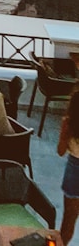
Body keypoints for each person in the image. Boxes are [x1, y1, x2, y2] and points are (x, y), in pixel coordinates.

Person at [58, 88, 79, 245]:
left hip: (74, 168)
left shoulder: (68, 123)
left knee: (69, 219)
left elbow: (60, 151)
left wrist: (64, 134)